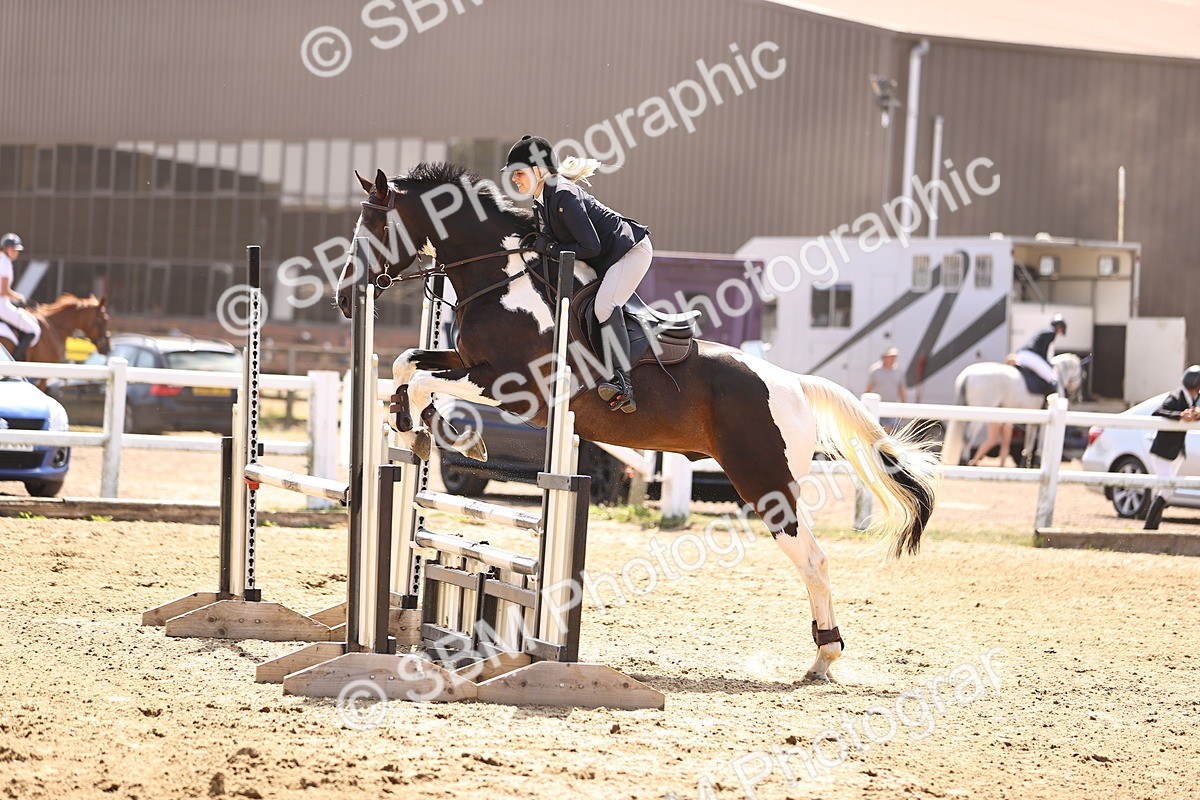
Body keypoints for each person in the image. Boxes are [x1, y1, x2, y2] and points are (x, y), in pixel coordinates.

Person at [503, 135, 652, 413]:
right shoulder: (542, 200)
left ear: (538, 171)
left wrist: (550, 246)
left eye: (519, 173)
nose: (515, 180)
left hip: (630, 253)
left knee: (605, 305)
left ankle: (623, 382)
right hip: (605, 258)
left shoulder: (562, 195)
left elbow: (589, 245)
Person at [1143, 364, 1200, 530]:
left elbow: (1193, 412)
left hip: (1176, 451)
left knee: (1165, 491)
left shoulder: (1192, 397)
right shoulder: (1176, 396)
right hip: (1164, 452)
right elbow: (1159, 412)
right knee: (1167, 492)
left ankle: (1153, 527)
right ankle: (1148, 528)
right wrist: (1181, 415)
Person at [0, 233, 39, 359]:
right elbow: (4, 291)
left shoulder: (2, 261)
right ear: (8, 249)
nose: (17, 252)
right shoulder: (5, 263)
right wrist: (21, 298)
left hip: (4, 303)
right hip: (2, 305)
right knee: (33, 330)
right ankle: (16, 362)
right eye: (14, 249)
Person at [1014, 314, 1067, 395]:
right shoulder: (1051, 333)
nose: (1060, 333)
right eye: (1061, 330)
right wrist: (1047, 363)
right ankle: (1052, 403)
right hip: (1031, 356)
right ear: (1059, 326)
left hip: (1022, 355)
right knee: (1052, 378)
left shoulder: (1045, 329)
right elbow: (1043, 351)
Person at [866, 347, 907, 432]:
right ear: (884, 357)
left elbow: (901, 390)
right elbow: (868, 389)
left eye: (894, 357)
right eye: (891, 357)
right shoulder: (875, 370)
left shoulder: (898, 371)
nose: (893, 359)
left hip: (892, 407)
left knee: (890, 431)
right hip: (877, 407)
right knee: (877, 431)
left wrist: (904, 408)